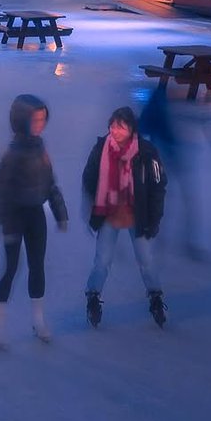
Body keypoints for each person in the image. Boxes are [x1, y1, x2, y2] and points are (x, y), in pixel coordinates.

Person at [0, 94, 68, 348]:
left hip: (35, 215)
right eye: (35, 120)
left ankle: (38, 320)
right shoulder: (11, 153)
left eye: (43, 119)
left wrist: (60, 211)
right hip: (14, 217)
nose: (40, 124)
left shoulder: (40, 148)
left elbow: (50, 183)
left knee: (37, 266)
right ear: (21, 120)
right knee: (11, 268)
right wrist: (1, 217)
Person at [82, 106, 168, 329]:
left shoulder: (147, 152)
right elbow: (89, 177)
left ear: (132, 129)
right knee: (102, 260)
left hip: (138, 214)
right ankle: (93, 297)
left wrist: (154, 219)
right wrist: (93, 206)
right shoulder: (101, 148)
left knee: (146, 260)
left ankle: (155, 297)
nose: (115, 130)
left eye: (121, 126)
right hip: (108, 213)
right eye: (113, 126)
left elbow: (158, 186)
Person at [138, 85, 211, 262]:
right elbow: (143, 125)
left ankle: (186, 242)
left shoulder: (194, 99)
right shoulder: (161, 98)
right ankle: (159, 239)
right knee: (167, 198)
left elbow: (210, 128)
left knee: (186, 199)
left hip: (181, 157)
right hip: (163, 156)